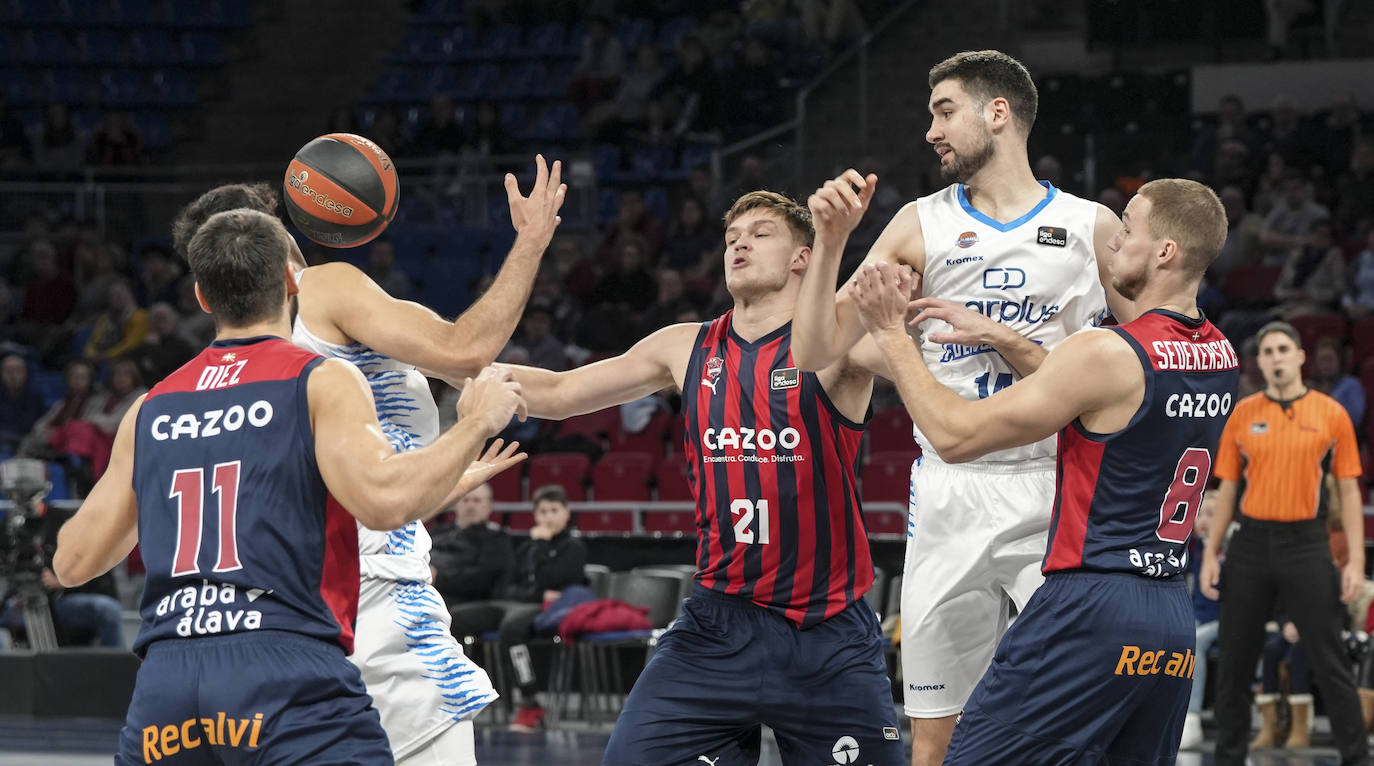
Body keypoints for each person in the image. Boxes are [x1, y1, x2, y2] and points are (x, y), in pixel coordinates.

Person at [50, 208, 527, 764]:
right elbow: (386, 502)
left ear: (202, 297)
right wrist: (474, 424)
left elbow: (72, 562)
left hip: (169, 682)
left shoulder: (151, 407)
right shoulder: (319, 379)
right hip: (282, 667)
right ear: (291, 280)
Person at [164, 154, 565, 765]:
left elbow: (323, 490)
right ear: (282, 237)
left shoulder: (213, 379)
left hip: (278, 619)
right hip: (378, 603)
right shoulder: (329, 287)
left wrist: (438, 481)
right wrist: (533, 239)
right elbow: (470, 351)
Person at [789, 48, 1129, 766]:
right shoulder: (920, 223)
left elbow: (1140, 365)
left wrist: (1009, 340)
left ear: (996, 113)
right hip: (948, 489)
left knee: (1072, 721)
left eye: (944, 111)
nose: (930, 131)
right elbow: (815, 350)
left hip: (1055, 483)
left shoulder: (1091, 226)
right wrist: (830, 243)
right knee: (935, 731)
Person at [502, 190, 906, 765]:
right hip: (717, 625)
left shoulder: (840, 348)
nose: (739, 242)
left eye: (761, 232)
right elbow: (560, 393)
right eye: (731, 236)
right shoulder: (685, 345)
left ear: (802, 257)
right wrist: (422, 353)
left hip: (826, 630)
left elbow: (936, 372)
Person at [849, 178, 1237, 765]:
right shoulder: (1222, 355)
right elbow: (1098, 393)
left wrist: (889, 336)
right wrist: (1003, 336)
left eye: (1128, 229)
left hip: (1089, 603)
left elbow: (954, 435)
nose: (1113, 243)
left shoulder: (1106, 350)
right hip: (1168, 619)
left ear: (1164, 253)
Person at [1199, 321, 1368, 766]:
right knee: (1235, 663)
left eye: (1282, 349)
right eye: (1267, 352)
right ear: (1260, 362)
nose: (1274, 358)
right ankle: (1228, 758)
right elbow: (1229, 487)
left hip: (1307, 544)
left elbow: (1349, 490)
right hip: (1250, 543)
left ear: (1299, 357)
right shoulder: (1243, 412)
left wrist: (1354, 562)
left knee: (1329, 659)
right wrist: (1212, 554)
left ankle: (1356, 757)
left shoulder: (1331, 413)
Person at [447, 484, 587, 730]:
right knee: (453, 618)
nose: (548, 517)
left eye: (554, 510)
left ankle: (529, 701)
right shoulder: (526, 548)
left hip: (548, 609)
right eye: (543, 512)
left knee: (512, 629)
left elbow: (558, 581)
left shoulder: (573, 548)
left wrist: (542, 548)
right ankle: (455, 694)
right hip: (512, 603)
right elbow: (506, 586)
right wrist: (535, 589)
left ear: (566, 513)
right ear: (535, 515)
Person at [429, 482, 515, 608]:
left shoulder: (496, 539)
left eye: (477, 500)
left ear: (489, 505)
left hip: (463, 601)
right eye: (465, 500)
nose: (470, 505)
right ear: (456, 504)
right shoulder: (436, 532)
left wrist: (438, 578)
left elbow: (484, 579)